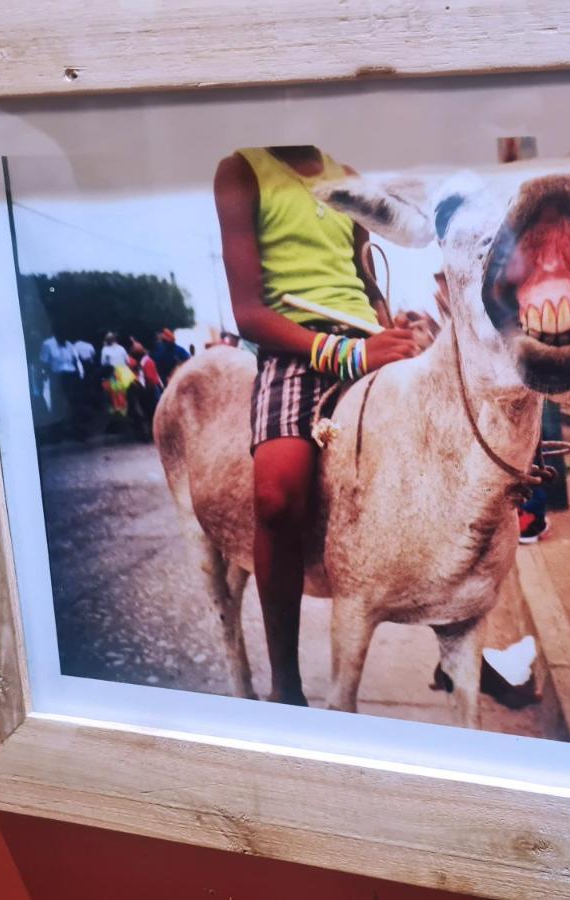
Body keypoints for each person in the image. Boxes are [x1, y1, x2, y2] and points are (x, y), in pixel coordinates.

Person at [215, 144, 420, 705]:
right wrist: (347, 357)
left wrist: (388, 327)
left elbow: (366, 278)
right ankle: (287, 685)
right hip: (297, 351)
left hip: (364, 340)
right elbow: (249, 313)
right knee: (278, 495)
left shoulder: (349, 176)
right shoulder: (241, 170)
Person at [37, 329, 84, 437]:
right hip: (57, 376)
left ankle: (75, 430)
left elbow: (75, 361)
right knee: (57, 403)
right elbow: (44, 362)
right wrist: (45, 375)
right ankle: (58, 432)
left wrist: (78, 375)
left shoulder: (69, 345)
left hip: (71, 376)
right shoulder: (48, 344)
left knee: (73, 402)